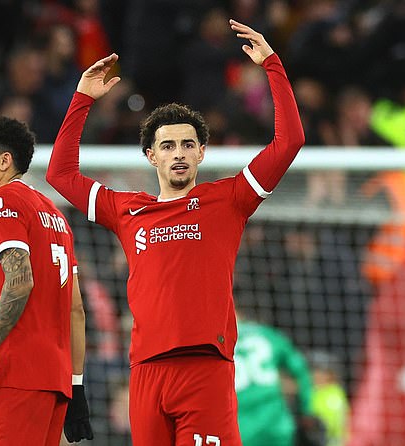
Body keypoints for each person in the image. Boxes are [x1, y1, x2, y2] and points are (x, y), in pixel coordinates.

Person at [47, 18, 304, 445]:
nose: (179, 154)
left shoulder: (230, 199)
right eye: (168, 146)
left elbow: (289, 141)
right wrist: (82, 98)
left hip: (205, 367)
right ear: (151, 156)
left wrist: (272, 66)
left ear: (202, 152)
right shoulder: (127, 209)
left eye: (188, 145)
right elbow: (60, 173)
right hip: (146, 372)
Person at [0, 114, 93, 445]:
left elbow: (20, 281)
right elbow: (76, 308)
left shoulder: (2, 200)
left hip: (16, 374)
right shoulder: (56, 215)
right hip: (56, 382)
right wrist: (76, 385)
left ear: (5, 161)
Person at [234, 314, 319, 446]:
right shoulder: (267, 334)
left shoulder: (220, 339)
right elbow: (300, 370)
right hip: (276, 425)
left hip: (242, 428)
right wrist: (306, 409)